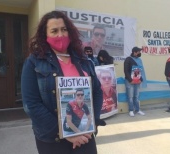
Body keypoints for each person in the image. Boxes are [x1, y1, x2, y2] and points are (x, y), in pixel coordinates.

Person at [21, 11, 105, 154]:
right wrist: (65, 132)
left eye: (64, 29)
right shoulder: (34, 62)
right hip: (53, 139)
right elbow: (31, 104)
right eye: (54, 31)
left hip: (85, 135)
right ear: (45, 35)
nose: (60, 35)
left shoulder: (84, 60)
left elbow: (96, 91)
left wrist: (93, 123)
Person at [124, 47, 146, 117]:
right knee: (130, 96)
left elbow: (141, 70)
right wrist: (130, 80)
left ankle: (137, 109)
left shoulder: (139, 60)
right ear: (135, 52)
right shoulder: (128, 59)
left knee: (136, 96)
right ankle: (131, 110)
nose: (140, 53)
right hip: (130, 81)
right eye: (139, 52)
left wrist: (141, 79)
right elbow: (126, 71)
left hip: (137, 81)